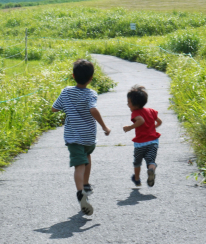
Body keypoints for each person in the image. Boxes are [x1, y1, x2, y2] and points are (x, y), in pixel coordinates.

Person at [52, 59, 111, 216]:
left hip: (73, 136)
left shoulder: (66, 92)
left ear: (73, 76)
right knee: (87, 157)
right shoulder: (91, 93)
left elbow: (54, 108)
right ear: (91, 78)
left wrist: (64, 107)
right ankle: (85, 184)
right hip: (89, 136)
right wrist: (104, 127)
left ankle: (80, 193)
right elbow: (93, 109)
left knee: (79, 165)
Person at [123, 85, 162, 187]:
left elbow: (141, 120)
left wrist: (130, 127)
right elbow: (159, 121)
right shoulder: (151, 110)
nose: (127, 105)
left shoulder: (135, 113)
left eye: (129, 102)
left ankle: (137, 179)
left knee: (137, 162)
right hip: (153, 141)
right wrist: (153, 128)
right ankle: (151, 169)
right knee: (151, 161)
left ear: (135, 104)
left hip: (140, 143)